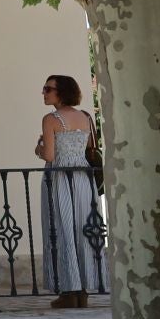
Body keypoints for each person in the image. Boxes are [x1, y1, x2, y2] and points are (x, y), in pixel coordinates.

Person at [37, 74, 100, 307]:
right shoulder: (85, 116)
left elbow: (50, 155)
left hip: (60, 177)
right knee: (83, 230)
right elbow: (89, 149)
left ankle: (68, 291)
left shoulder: (51, 119)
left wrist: (39, 147)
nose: (43, 92)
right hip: (84, 179)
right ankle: (83, 291)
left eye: (48, 89)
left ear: (60, 92)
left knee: (62, 229)